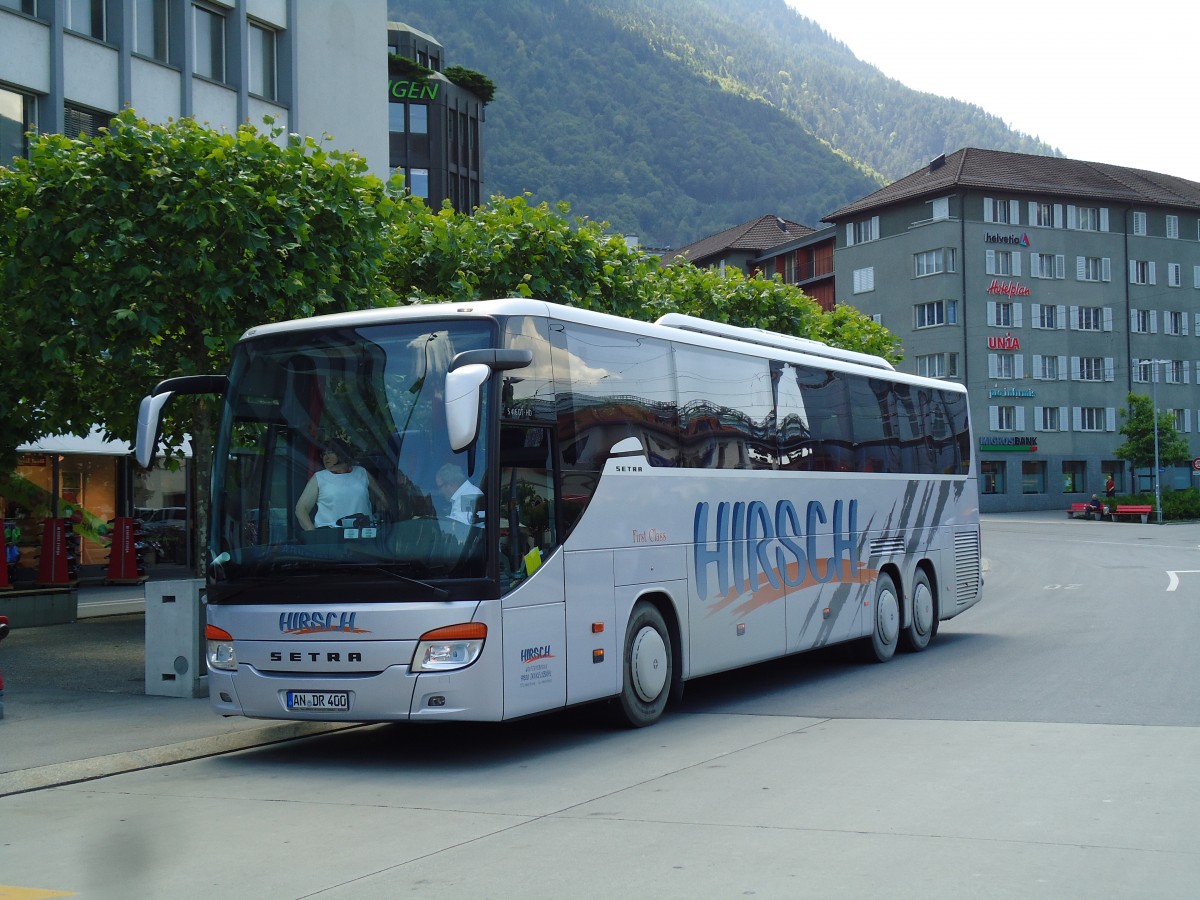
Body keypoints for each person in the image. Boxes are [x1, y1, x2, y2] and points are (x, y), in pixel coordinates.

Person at [295, 438, 389, 531]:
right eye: (324, 454)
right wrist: (313, 534)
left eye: (330, 452)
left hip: (363, 535)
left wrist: (387, 518)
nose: (326, 457)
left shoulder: (361, 472)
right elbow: (301, 509)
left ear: (342, 453)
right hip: (331, 537)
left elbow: (381, 496)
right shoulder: (319, 477)